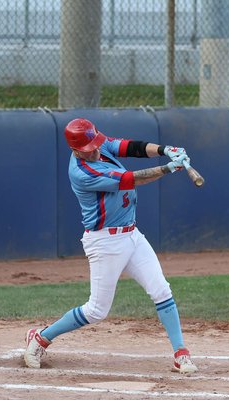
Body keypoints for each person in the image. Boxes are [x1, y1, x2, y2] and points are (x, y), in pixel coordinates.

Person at [24, 118, 197, 374]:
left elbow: (130, 147)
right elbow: (131, 179)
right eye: (89, 148)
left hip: (132, 234)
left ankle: (180, 353)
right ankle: (41, 337)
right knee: (96, 311)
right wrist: (168, 168)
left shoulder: (97, 142)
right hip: (105, 242)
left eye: (96, 143)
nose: (96, 149)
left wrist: (164, 150)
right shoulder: (82, 172)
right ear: (75, 150)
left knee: (161, 290)